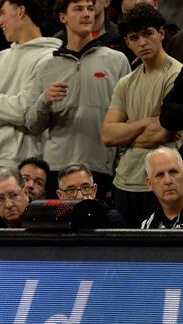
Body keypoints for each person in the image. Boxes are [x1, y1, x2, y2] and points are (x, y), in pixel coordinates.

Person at [0, 0, 61, 227]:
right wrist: (13, 112)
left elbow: (27, 110)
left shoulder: (51, 58)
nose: (0, 21)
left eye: (3, 13)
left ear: (21, 11)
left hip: (25, 165)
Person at [25, 0, 129, 202]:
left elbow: (127, 117)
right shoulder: (47, 66)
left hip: (101, 169)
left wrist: (120, 162)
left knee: (98, 229)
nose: (87, 14)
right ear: (63, 17)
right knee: (61, 225)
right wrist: (44, 100)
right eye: (79, 9)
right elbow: (32, 125)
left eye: (90, 8)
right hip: (58, 170)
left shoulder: (117, 61)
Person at [102, 4, 182, 227]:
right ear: (127, 42)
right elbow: (108, 134)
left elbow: (161, 132)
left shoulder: (177, 74)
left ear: (161, 33)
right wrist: (148, 121)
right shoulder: (126, 82)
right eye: (134, 37)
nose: (142, 42)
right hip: (124, 181)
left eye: (148, 34)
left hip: (162, 183)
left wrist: (126, 134)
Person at [56, 162, 126, 227]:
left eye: (85, 187)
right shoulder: (53, 220)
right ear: (60, 195)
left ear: (94, 190)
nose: (80, 196)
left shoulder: (112, 219)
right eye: (71, 190)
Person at [140, 147, 183, 229]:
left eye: (173, 172)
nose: (168, 181)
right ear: (150, 184)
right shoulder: (146, 227)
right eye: (160, 175)